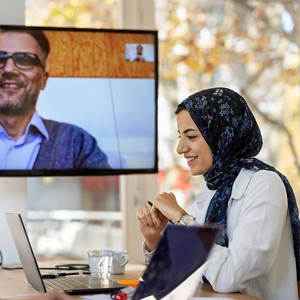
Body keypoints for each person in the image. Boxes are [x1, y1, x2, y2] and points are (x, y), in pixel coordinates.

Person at [137, 87, 300, 300]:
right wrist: (153, 238)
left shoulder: (265, 184)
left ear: (222, 135)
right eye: (180, 137)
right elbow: (174, 277)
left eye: (191, 136)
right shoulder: (213, 190)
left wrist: (181, 218)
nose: (180, 148)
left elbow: (228, 277)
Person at [0, 29, 110, 169]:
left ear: (43, 81)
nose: (9, 69)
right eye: (0, 58)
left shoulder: (78, 144)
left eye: (25, 59)